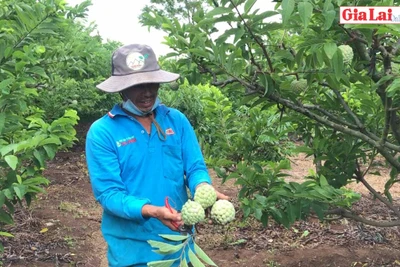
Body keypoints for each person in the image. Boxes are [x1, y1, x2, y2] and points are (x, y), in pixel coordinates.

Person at [85, 44, 228, 267]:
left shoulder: (176, 120)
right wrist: (153, 211)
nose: (148, 92)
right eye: (138, 85)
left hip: (179, 242)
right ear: (122, 89)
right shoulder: (103, 132)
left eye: (152, 82)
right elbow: (109, 194)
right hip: (131, 249)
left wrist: (202, 188)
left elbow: (195, 167)